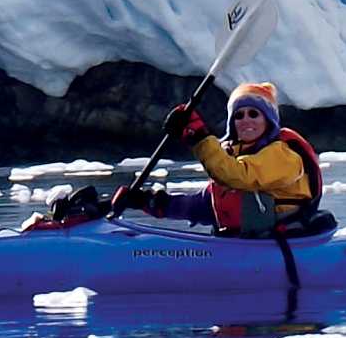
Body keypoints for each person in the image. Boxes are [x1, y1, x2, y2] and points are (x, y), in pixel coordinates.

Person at [112, 81, 316, 236]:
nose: (246, 120)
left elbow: (238, 175)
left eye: (254, 114)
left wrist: (199, 137)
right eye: (239, 115)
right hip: (244, 246)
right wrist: (147, 202)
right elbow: (202, 206)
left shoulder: (284, 157)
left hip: (279, 244)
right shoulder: (233, 156)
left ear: (269, 120)